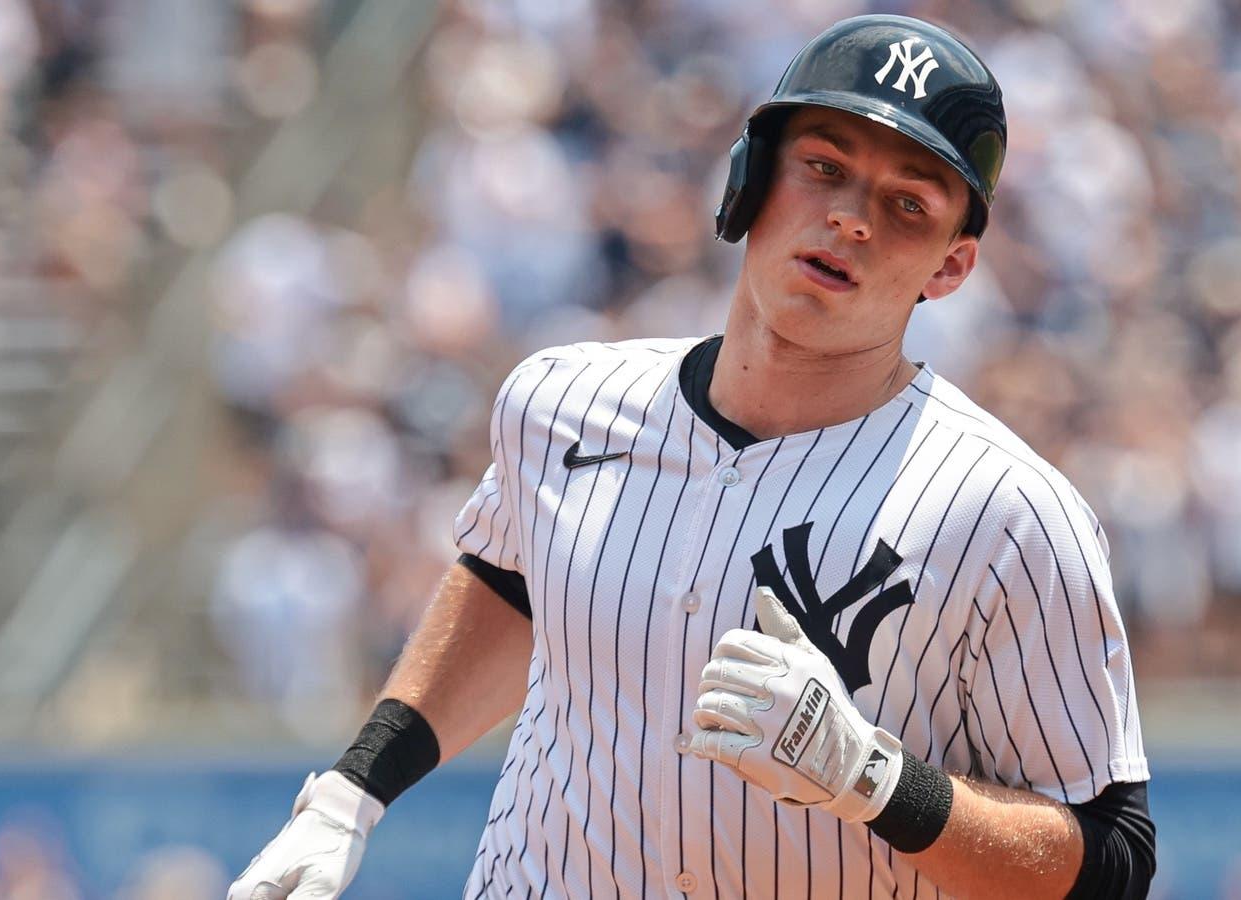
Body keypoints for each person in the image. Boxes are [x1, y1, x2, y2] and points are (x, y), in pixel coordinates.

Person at [229, 14, 1153, 899]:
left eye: (907, 204)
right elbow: (514, 587)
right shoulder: (562, 402)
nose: (852, 220)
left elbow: (1111, 861)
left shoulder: (1007, 513)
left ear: (951, 266)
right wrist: (354, 791)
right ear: (751, 179)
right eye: (823, 168)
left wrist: (876, 782)